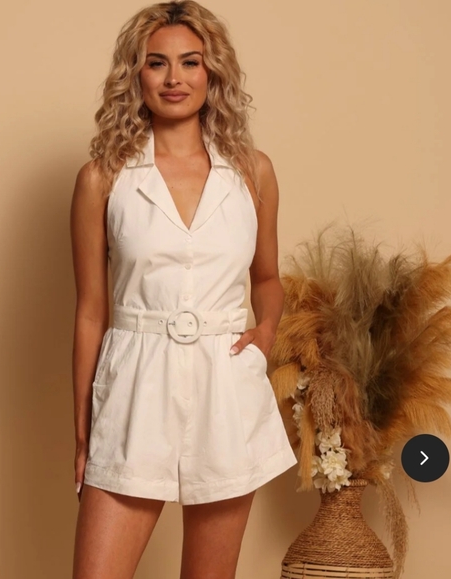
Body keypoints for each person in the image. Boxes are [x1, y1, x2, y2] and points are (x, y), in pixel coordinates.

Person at [69, 1, 297, 577]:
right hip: (135, 383)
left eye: (190, 62)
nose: (174, 78)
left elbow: (266, 279)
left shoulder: (253, 171)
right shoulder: (102, 178)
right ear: (136, 74)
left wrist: (266, 332)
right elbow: (91, 312)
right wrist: (84, 432)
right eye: (157, 63)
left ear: (212, 72)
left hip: (226, 380)